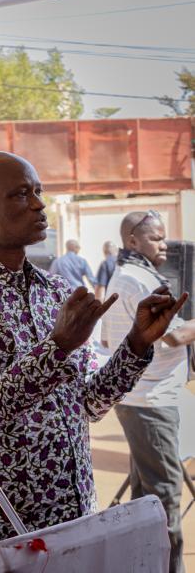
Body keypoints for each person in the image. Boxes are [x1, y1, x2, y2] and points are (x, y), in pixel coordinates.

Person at [0, 151, 187, 546]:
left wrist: (135, 345)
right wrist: (57, 348)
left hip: (74, 518)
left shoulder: (56, 292)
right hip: (2, 531)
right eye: (21, 194)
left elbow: (88, 404)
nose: (40, 204)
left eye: (39, 191)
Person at [101, 210, 195, 573]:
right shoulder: (139, 281)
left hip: (141, 398)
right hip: (151, 402)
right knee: (165, 499)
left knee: (145, 502)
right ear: (132, 241)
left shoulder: (125, 277)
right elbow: (172, 334)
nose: (165, 244)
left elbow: (109, 339)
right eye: (157, 238)